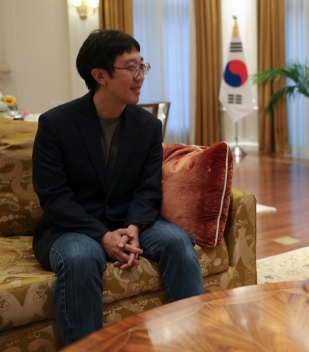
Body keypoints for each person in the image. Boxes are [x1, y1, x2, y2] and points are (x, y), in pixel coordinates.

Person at [32, 29, 204, 345]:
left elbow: (148, 187)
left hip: (131, 222)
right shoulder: (56, 124)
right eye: (131, 67)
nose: (140, 76)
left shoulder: (148, 126)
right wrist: (102, 235)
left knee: (178, 242)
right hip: (72, 228)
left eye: (143, 66)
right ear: (101, 75)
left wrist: (134, 226)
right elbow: (53, 195)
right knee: (81, 257)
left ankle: (191, 342)